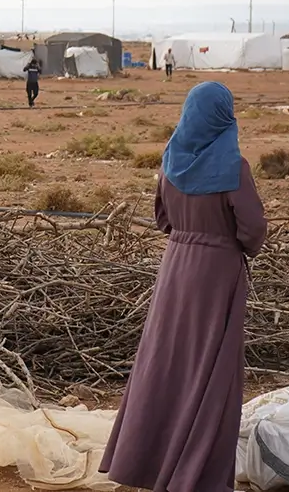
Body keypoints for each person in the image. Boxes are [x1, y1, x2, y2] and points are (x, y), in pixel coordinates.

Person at [100, 81, 266, 492]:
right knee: (212, 368)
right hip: (216, 272)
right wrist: (224, 243)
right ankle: (195, 473)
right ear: (222, 115)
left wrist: (188, 236)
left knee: (164, 363)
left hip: (176, 268)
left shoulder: (170, 161)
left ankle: (144, 462)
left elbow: (163, 219)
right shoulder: (233, 167)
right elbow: (254, 230)